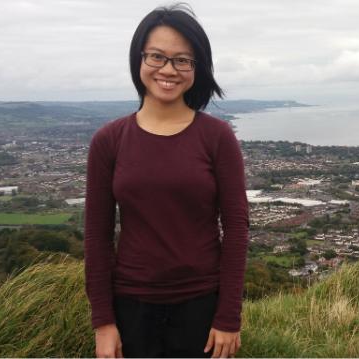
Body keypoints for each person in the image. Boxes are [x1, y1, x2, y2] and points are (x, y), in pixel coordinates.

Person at [83, 3, 249, 358]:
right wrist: (103, 322)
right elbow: (97, 235)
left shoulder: (217, 137)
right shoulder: (108, 140)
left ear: (197, 68)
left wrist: (228, 317)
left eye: (182, 60)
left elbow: (236, 227)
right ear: (139, 60)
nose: (168, 70)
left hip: (202, 306)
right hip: (130, 307)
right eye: (157, 56)